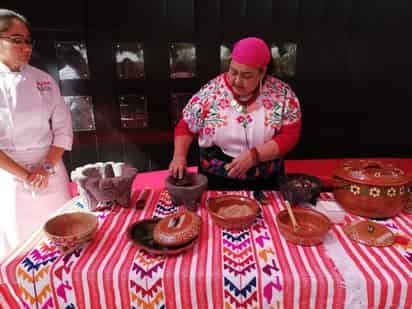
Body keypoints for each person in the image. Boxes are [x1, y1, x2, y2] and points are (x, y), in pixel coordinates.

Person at [169, 37, 301, 190]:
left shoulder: (283, 95)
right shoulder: (212, 91)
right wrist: (179, 156)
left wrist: (255, 155)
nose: (237, 80)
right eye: (233, 71)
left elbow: (290, 136)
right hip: (216, 181)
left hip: (265, 183)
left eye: (246, 75)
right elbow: (186, 126)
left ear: (262, 71)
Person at [0, 9, 73, 259]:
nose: (25, 47)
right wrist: (26, 175)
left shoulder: (43, 80)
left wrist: (45, 168)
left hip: (50, 169)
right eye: (16, 40)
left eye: (28, 40)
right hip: (11, 176)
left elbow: (63, 128)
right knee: (19, 247)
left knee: (63, 234)